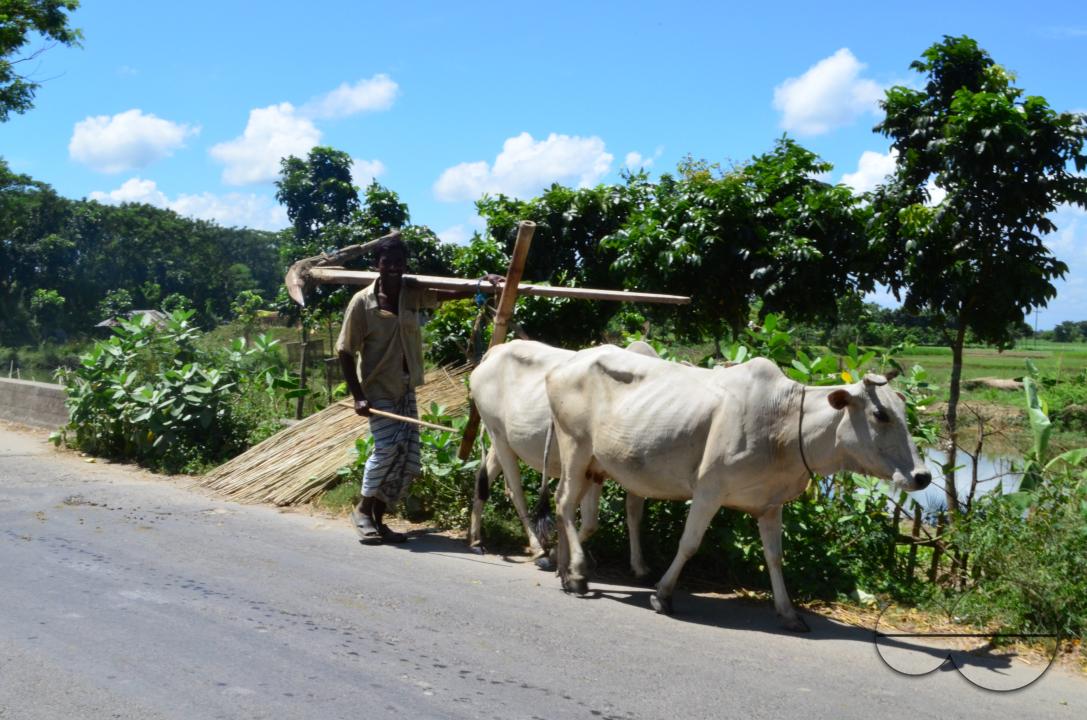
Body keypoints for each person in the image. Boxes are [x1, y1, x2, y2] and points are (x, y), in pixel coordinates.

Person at [336, 229, 502, 544]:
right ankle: (361, 510)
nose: (395, 267)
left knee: (408, 458)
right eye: (388, 262)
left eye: (400, 262)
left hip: (405, 388)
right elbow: (344, 351)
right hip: (378, 390)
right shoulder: (362, 303)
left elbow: (444, 294)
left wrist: (481, 285)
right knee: (386, 451)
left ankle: (379, 520)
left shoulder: (410, 295)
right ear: (377, 264)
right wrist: (358, 397)